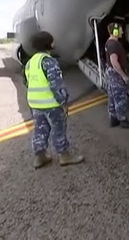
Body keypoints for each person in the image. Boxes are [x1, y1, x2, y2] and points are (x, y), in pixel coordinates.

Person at [25, 31, 84, 168]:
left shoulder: (30, 62)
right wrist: (63, 101)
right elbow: (56, 84)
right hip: (51, 104)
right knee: (59, 129)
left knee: (40, 129)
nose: (54, 43)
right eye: (52, 41)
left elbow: (27, 82)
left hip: (35, 104)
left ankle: (39, 157)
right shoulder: (48, 61)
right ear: (48, 44)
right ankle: (64, 155)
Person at [105, 22, 129, 129]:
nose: (123, 32)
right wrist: (123, 75)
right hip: (116, 74)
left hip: (111, 73)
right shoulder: (114, 45)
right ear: (115, 31)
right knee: (120, 96)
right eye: (120, 30)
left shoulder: (109, 43)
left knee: (112, 95)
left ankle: (114, 118)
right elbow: (114, 62)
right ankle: (122, 119)